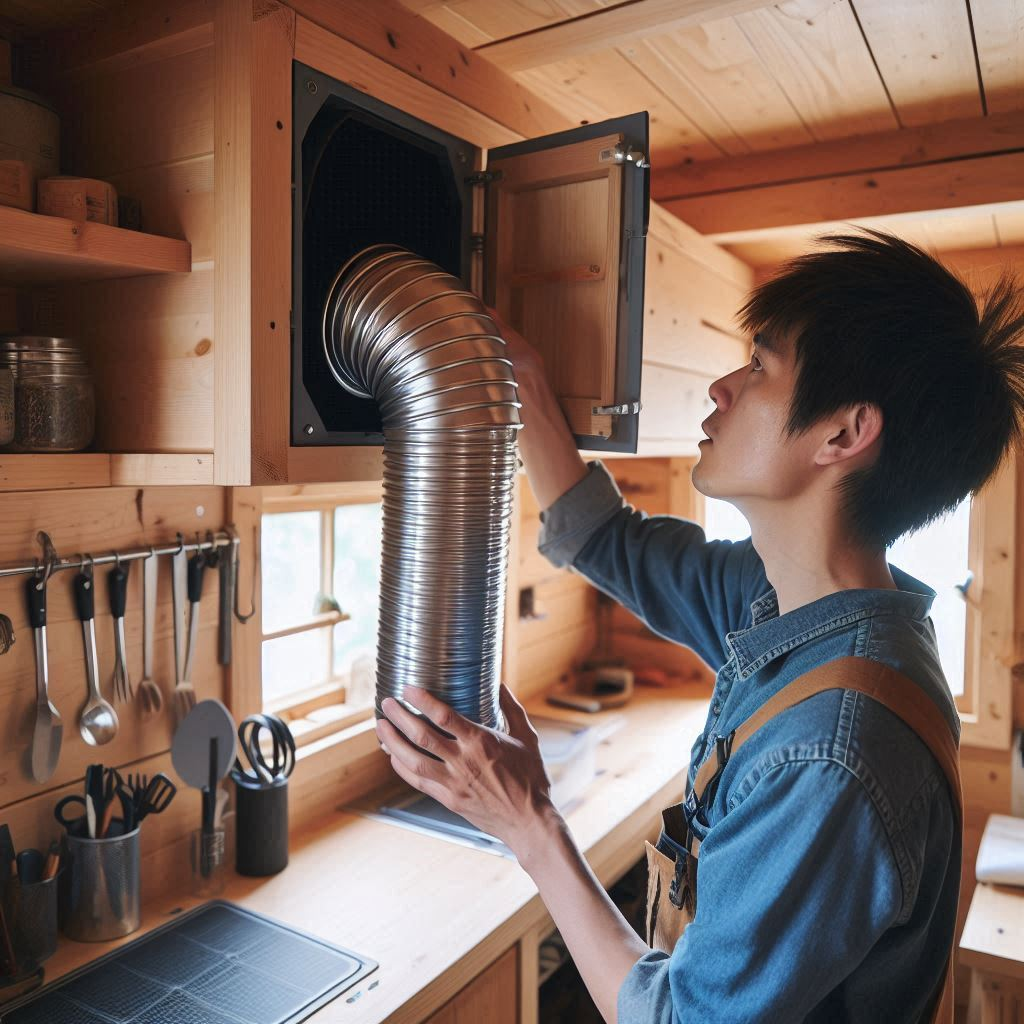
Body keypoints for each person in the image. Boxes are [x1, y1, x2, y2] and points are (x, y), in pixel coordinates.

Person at [375, 230, 1024, 1022]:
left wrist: (528, 821)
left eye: (760, 366)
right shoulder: (794, 604)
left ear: (844, 433)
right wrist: (526, 386)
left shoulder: (834, 755)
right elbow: (607, 539)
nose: (722, 387)